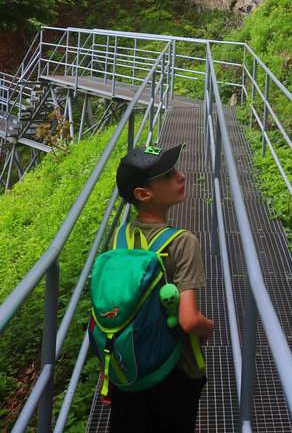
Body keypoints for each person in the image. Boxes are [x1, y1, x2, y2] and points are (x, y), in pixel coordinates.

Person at [110, 143, 214, 433]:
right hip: (174, 371)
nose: (181, 177)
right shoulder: (183, 242)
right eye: (169, 175)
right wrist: (210, 327)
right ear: (143, 194)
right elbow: (189, 319)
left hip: (129, 368)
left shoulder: (120, 237)